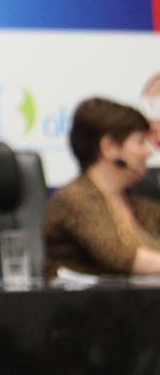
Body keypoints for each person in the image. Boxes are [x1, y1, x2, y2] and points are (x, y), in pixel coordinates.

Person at [44, 96, 160, 276]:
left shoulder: (138, 206)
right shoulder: (74, 199)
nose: (148, 151)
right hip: (86, 295)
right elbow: (120, 257)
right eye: (140, 141)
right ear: (109, 147)